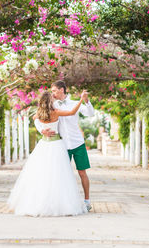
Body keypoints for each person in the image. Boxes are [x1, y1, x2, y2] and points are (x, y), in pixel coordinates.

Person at [7, 90, 87, 217]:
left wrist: (42, 130)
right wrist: (81, 100)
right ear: (50, 101)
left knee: (41, 174)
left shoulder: (39, 113)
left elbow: (34, 120)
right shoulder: (55, 112)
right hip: (56, 145)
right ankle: (58, 203)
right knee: (58, 175)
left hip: (43, 145)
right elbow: (72, 112)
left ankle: (38, 202)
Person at [34, 81, 94, 211]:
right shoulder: (52, 105)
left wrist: (86, 101)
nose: (53, 93)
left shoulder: (73, 104)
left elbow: (90, 113)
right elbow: (37, 118)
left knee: (82, 172)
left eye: (54, 90)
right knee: (60, 175)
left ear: (62, 90)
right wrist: (42, 130)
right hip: (61, 145)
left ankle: (87, 200)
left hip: (78, 143)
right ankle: (62, 202)